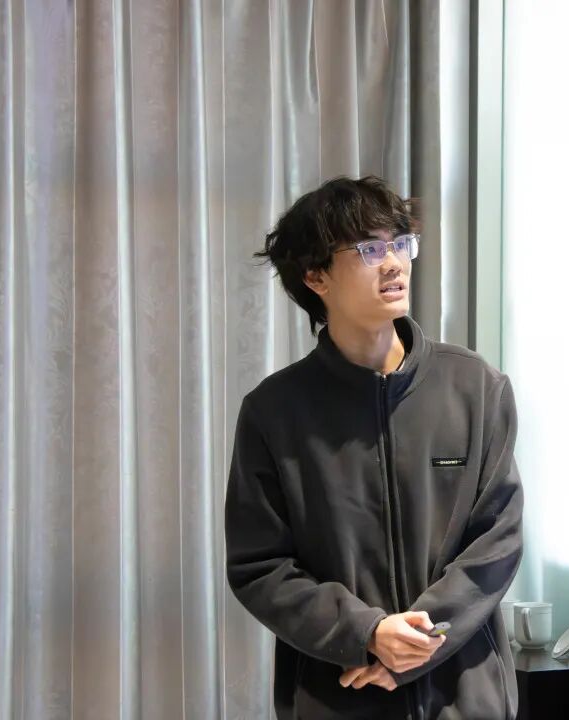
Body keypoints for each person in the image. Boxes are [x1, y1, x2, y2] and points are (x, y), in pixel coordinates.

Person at [225, 176, 524, 719]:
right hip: (341, 694)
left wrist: (415, 646)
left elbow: (497, 539)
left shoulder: (476, 388)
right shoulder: (274, 413)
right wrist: (366, 633)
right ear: (315, 276)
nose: (394, 263)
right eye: (369, 249)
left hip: (465, 696)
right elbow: (260, 565)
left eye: (400, 243)